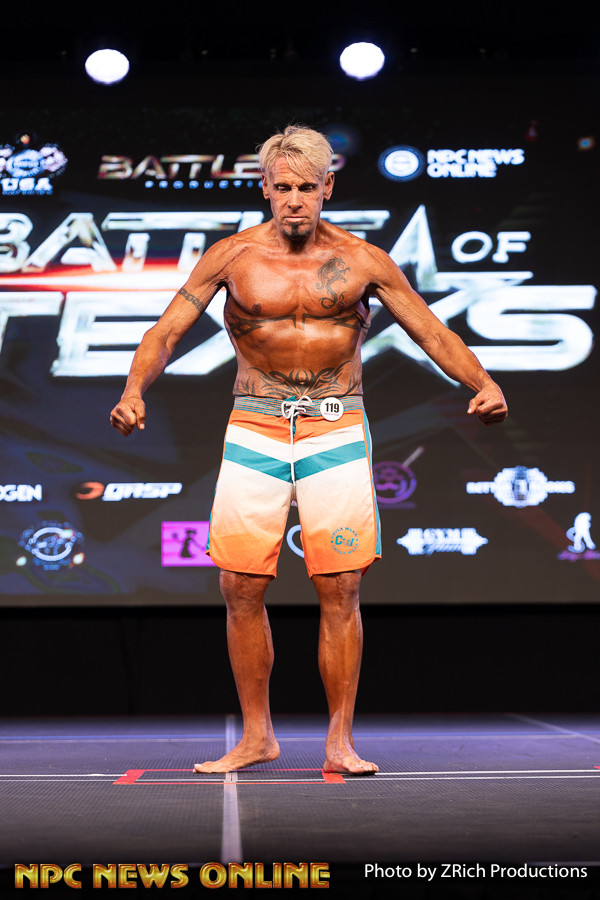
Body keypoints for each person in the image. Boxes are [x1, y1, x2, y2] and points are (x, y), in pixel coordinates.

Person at [110, 125, 507, 775]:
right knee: (240, 584)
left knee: (341, 584)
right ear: (265, 189)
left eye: (306, 187)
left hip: (335, 425)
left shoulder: (364, 261)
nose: (294, 200)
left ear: (328, 187)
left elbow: (432, 332)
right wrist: (133, 390)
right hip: (256, 423)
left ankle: (339, 742)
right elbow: (167, 331)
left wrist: (483, 383)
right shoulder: (232, 257)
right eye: (283, 187)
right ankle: (257, 737)